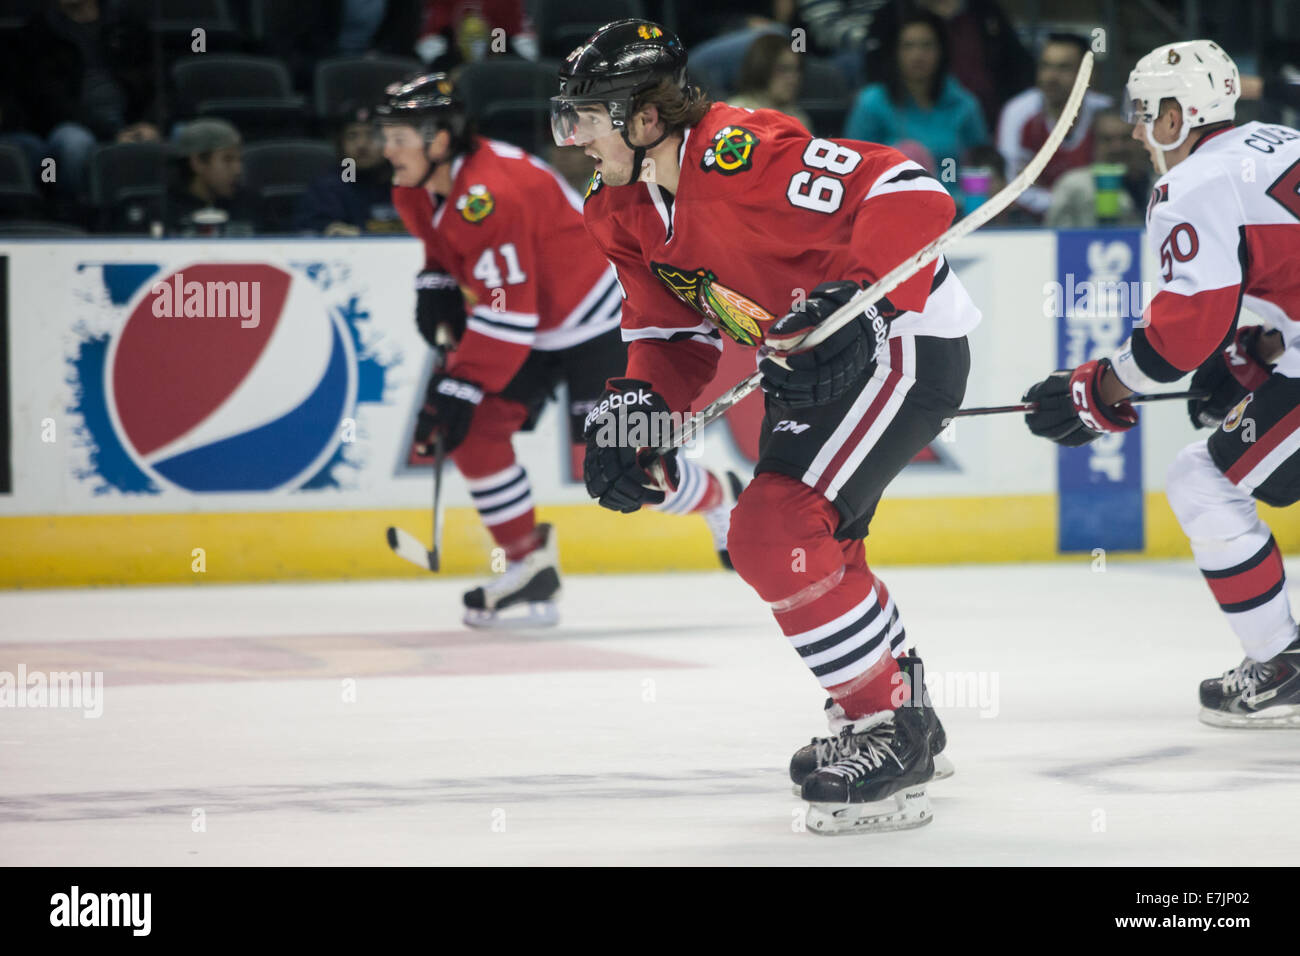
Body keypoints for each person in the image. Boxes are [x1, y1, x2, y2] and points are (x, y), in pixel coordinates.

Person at [553, 19, 980, 833]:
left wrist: (863, 304)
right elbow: (666, 335)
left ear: (645, 120)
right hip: (808, 366)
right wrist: (642, 411)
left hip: (904, 346)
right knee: (818, 538)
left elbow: (913, 192)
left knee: (770, 528)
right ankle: (895, 707)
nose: (574, 138)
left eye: (589, 117)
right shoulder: (617, 210)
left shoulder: (740, 154)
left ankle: (890, 731)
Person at [380, 74, 741, 629]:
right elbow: (450, 252)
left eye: (399, 137)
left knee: (622, 460)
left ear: (439, 139)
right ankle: (529, 565)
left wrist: (461, 379)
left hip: (596, 321)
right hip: (531, 324)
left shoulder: (489, 195)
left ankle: (720, 493)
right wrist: (435, 281)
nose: (387, 150)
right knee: (472, 431)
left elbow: (508, 312)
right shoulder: (413, 187)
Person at [1022, 40, 1300, 728]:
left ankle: (1281, 663)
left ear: (1178, 117)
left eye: (1148, 115)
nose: (1142, 134)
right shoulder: (1281, 139)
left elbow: (1179, 339)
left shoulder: (1194, 183)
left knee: (1202, 479)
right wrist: (1259, 345)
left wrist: (1101, 390)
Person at [843, 8, 987, 188]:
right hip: (890, 208)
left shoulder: (965, 104)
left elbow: (982, 166)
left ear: (942, 51)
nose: (918, 55)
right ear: (894, 52)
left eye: (927, 45)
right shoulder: (871, 103)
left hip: (957, 207)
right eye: (908, 46)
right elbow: (853, 170)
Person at [997, 33, 1111, 220]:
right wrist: (1063, 203)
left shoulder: (1104, 113)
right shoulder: (1018, 112)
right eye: (1045, 66)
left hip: (1094, 219)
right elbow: (1011, 185)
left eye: (1063, 68)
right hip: (1029, 224)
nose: (1050, 77)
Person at [294, 103, 403, 235]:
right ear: (340, 145)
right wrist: (329, 231)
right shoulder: (327, 188)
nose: (361, 145)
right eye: (352, 136)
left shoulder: (407, 181)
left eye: (371, 135)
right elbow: (308, 231)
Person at [1045, 110, 1146, 228]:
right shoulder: (1073, 186)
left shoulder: (1163, 182)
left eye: (1126, 138)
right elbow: (1053, 237)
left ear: (1142, 140)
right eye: (1107, 139)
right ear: (1093, 144)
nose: (1117, 147)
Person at [165, 118, 252, 235]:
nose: (238, 170)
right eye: (228, 159)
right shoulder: (164, 211)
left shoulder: (251, 206)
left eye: (239, 160)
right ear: (198, 162)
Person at [728, 33, 812, 130]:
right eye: (784, 69)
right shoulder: (735, 111)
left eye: (797, 70)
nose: (794, 79)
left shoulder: (799, 120)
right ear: (762, 68)